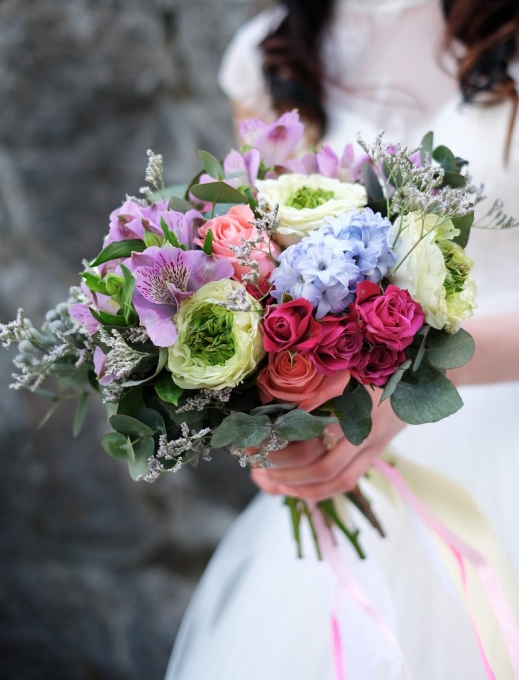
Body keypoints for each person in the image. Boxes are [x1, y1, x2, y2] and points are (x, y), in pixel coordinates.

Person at [166, 1, 519, 678]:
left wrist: (415, 381)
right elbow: (262, 270)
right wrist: (278, 425)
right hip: (360, 466)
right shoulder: (269, 55)